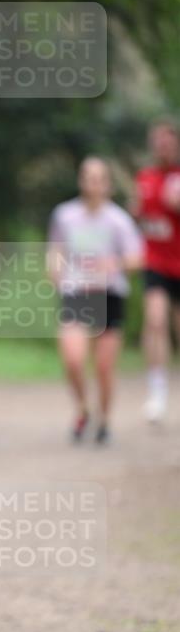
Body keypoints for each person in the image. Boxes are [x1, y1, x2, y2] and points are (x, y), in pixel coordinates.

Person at [47, 157, 143, 444]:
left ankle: (104, 420)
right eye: (88, 176)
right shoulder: (65, 215)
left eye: (99, 178)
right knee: (73, 359)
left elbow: (137, 257)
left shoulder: (118, 219)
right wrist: (55, 272)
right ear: (81, 180)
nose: (93, 183)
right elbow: (55, 250)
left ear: (108, 184)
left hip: (109, 295)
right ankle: (82, 410)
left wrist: (114, 264)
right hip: (76, 293)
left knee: (103, 368)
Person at [131, 118, 180, 422]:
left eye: (167, 140)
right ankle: (158, 393)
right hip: (155, 263)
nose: (161, 145)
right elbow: (141, 218)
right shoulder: (144, 178)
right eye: (157, 140)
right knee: (155, 322)